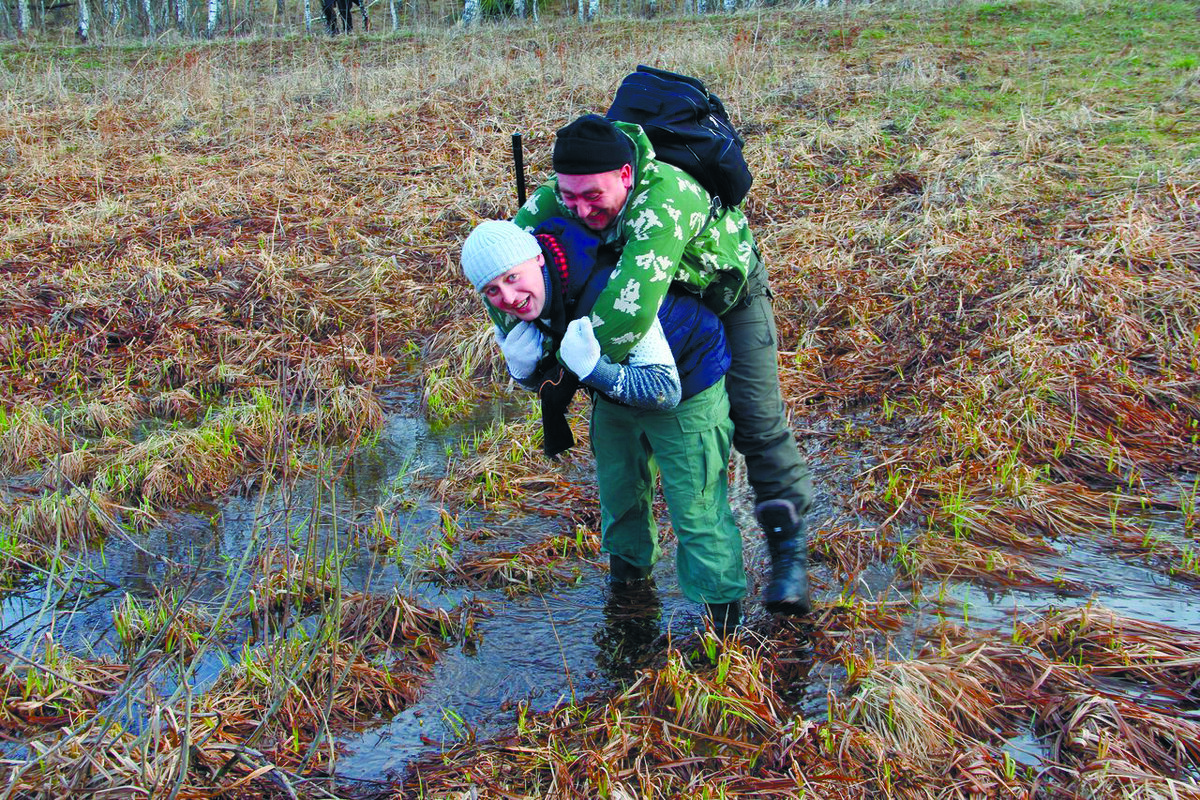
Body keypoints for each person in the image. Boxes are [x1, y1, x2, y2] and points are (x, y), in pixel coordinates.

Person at [508, 113, 814, 616]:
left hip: (724, 294)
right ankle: (631, 579)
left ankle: (788, 554)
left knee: (756, 420)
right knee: (630, 426)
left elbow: (628, 313)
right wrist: (517, 340)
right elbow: (501, 263)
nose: (579, 210)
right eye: (569, 198)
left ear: (625, 176)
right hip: (663, 305)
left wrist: (561, 372)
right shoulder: (562, 192)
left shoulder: (667, 198)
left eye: (592, 197)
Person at [461, 217, 746, 634]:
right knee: (620, 496)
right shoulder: (526, 298)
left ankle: (725, 630)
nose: (508, 296)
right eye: (492, 290)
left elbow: (662, 389)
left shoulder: (611, 287)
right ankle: (630, 604)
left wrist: (594, 370)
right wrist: (524, 372)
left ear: (536, 258)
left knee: (696, 511)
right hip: (615, 387)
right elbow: (553, 371)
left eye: (511, 278)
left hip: (686, 381)